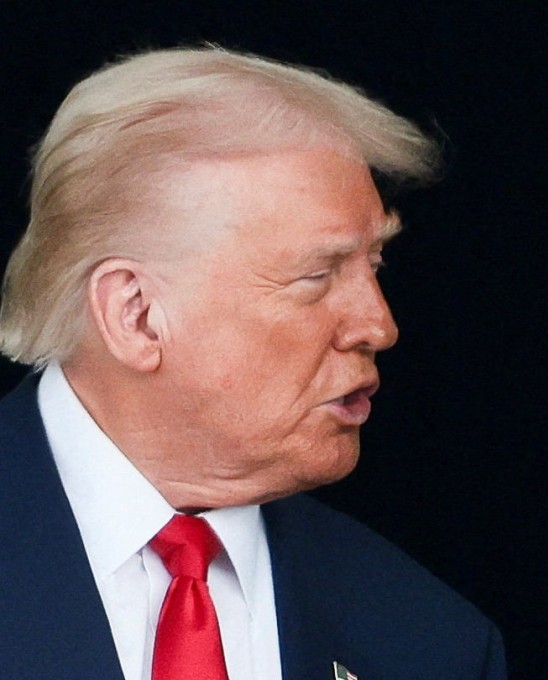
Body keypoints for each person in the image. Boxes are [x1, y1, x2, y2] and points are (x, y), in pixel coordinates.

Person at [0, 46, 505, 680]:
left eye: (374, 266)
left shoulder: (429, 641)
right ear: (137, 315)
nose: (379, 325)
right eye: (317, 275)